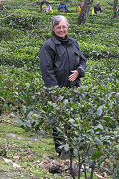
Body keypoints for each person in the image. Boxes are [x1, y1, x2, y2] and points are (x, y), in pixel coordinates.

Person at [39, 15, 86, 155]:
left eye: (64, 27)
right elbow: (47, 71)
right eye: (58, 27)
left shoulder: (73, 42)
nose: (61, 30)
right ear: (53, 28)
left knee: (73, 117)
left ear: (68, 27)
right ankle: (60, 149)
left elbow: (83, 61)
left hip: (74, 88)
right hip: (57, 88)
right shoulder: (48, 46)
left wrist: (79, 72)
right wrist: (55, 91)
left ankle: (72, 148)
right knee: (58, 119)